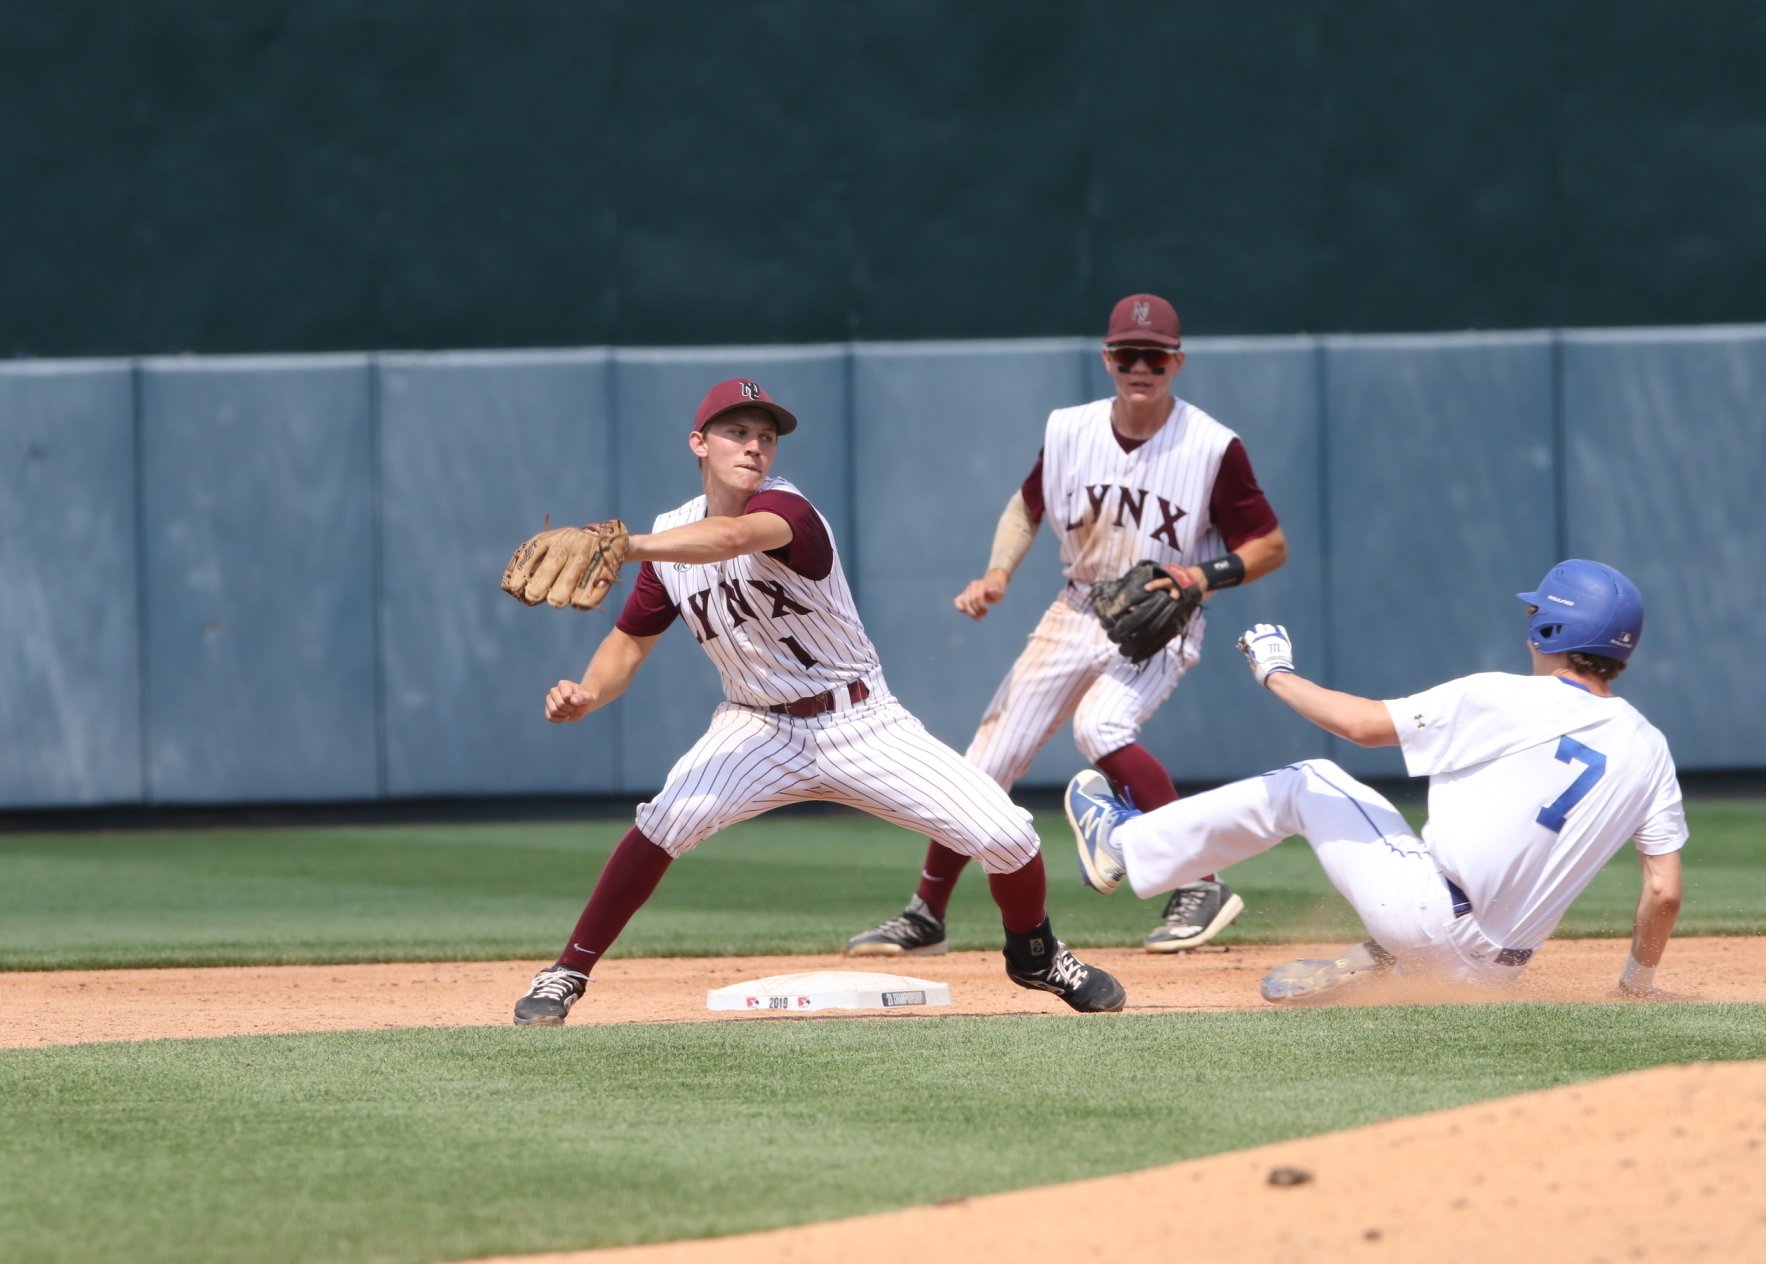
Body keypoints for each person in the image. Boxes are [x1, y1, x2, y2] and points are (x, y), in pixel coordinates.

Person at [512, 377, 1125, 1025]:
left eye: (765, 436)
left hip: (859, 721)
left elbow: (729, 539)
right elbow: (628, 646)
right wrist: (587, 693)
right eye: (737, 432)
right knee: (662, 823)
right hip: (754, 728)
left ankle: (1035, 954)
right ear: (699, 443)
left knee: (1009, 835)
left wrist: (627, 546)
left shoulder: (788, 511)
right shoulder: (669, 540)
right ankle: (566, 972)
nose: (754, 446)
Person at [845, 293, 1290, 959]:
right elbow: (1026, 510)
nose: (1142, 367)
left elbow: (1270, 545)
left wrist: (1205, 576)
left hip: (1161, 618)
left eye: (1156, 356)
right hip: (1077, 607)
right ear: (1108, 358)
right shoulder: (1070, 431)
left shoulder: (1212, 446)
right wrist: (998, 575)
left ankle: (1200, 882)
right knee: (982, 764)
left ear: (1178, 361)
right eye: (1128, 354)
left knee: (1101, 726)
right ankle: (926, 915)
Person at [1064, 559, 1687, 1000]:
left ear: (1552, 629)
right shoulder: (1650, 748)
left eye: (1537, 612)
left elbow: (1361, 725)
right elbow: (1664, 891)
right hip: (1497, 973)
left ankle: (1124, 846)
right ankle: (1383, 966)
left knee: (1309, 781)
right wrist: (1637, 986)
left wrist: (1275, 671)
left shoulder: (1505, 697)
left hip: (1425, 915)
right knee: (1436, 860)